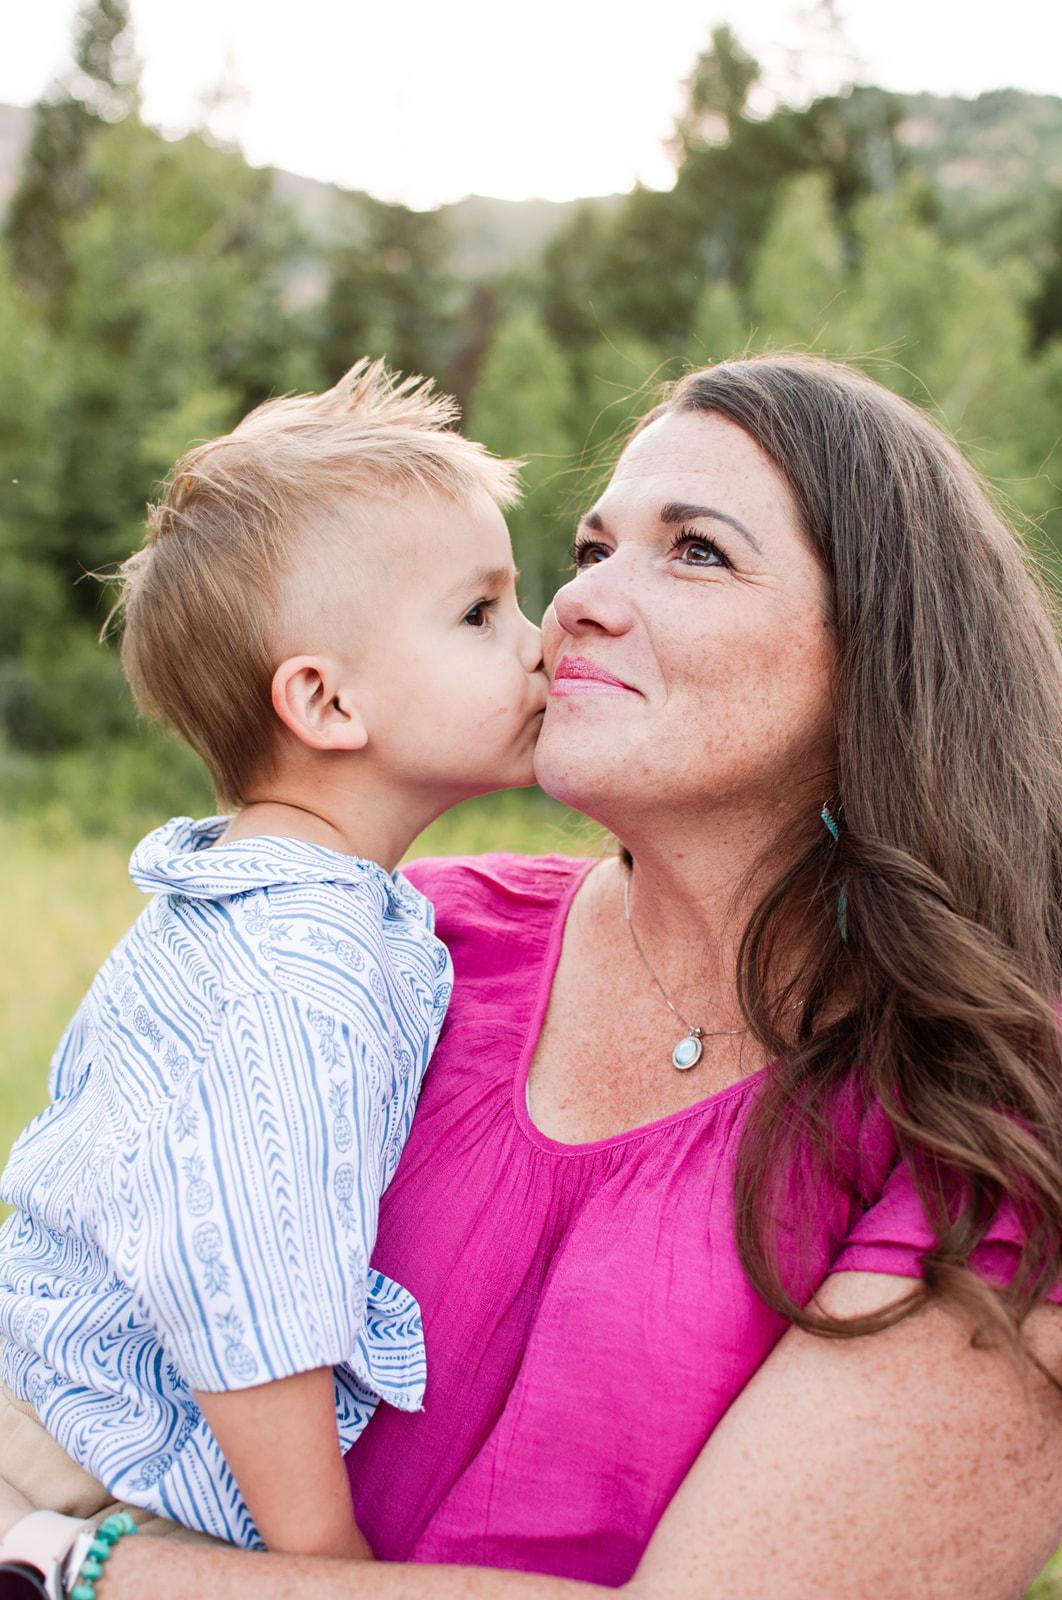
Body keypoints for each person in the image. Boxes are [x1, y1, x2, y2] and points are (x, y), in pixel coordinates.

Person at [1, 353, 1060, 1600]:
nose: (578, 604)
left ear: (882, 652)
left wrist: (72, 1563)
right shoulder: (404, 939)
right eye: (590, 549)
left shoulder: (982, 1107)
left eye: (696, 551)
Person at [0, 360, 546, 1559]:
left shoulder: (277, 902)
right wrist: (320, 1557)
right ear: (326, 703)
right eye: (482, 613)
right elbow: (242, 1286)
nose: (539, 640)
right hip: (92, 1476)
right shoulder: (295, 973)